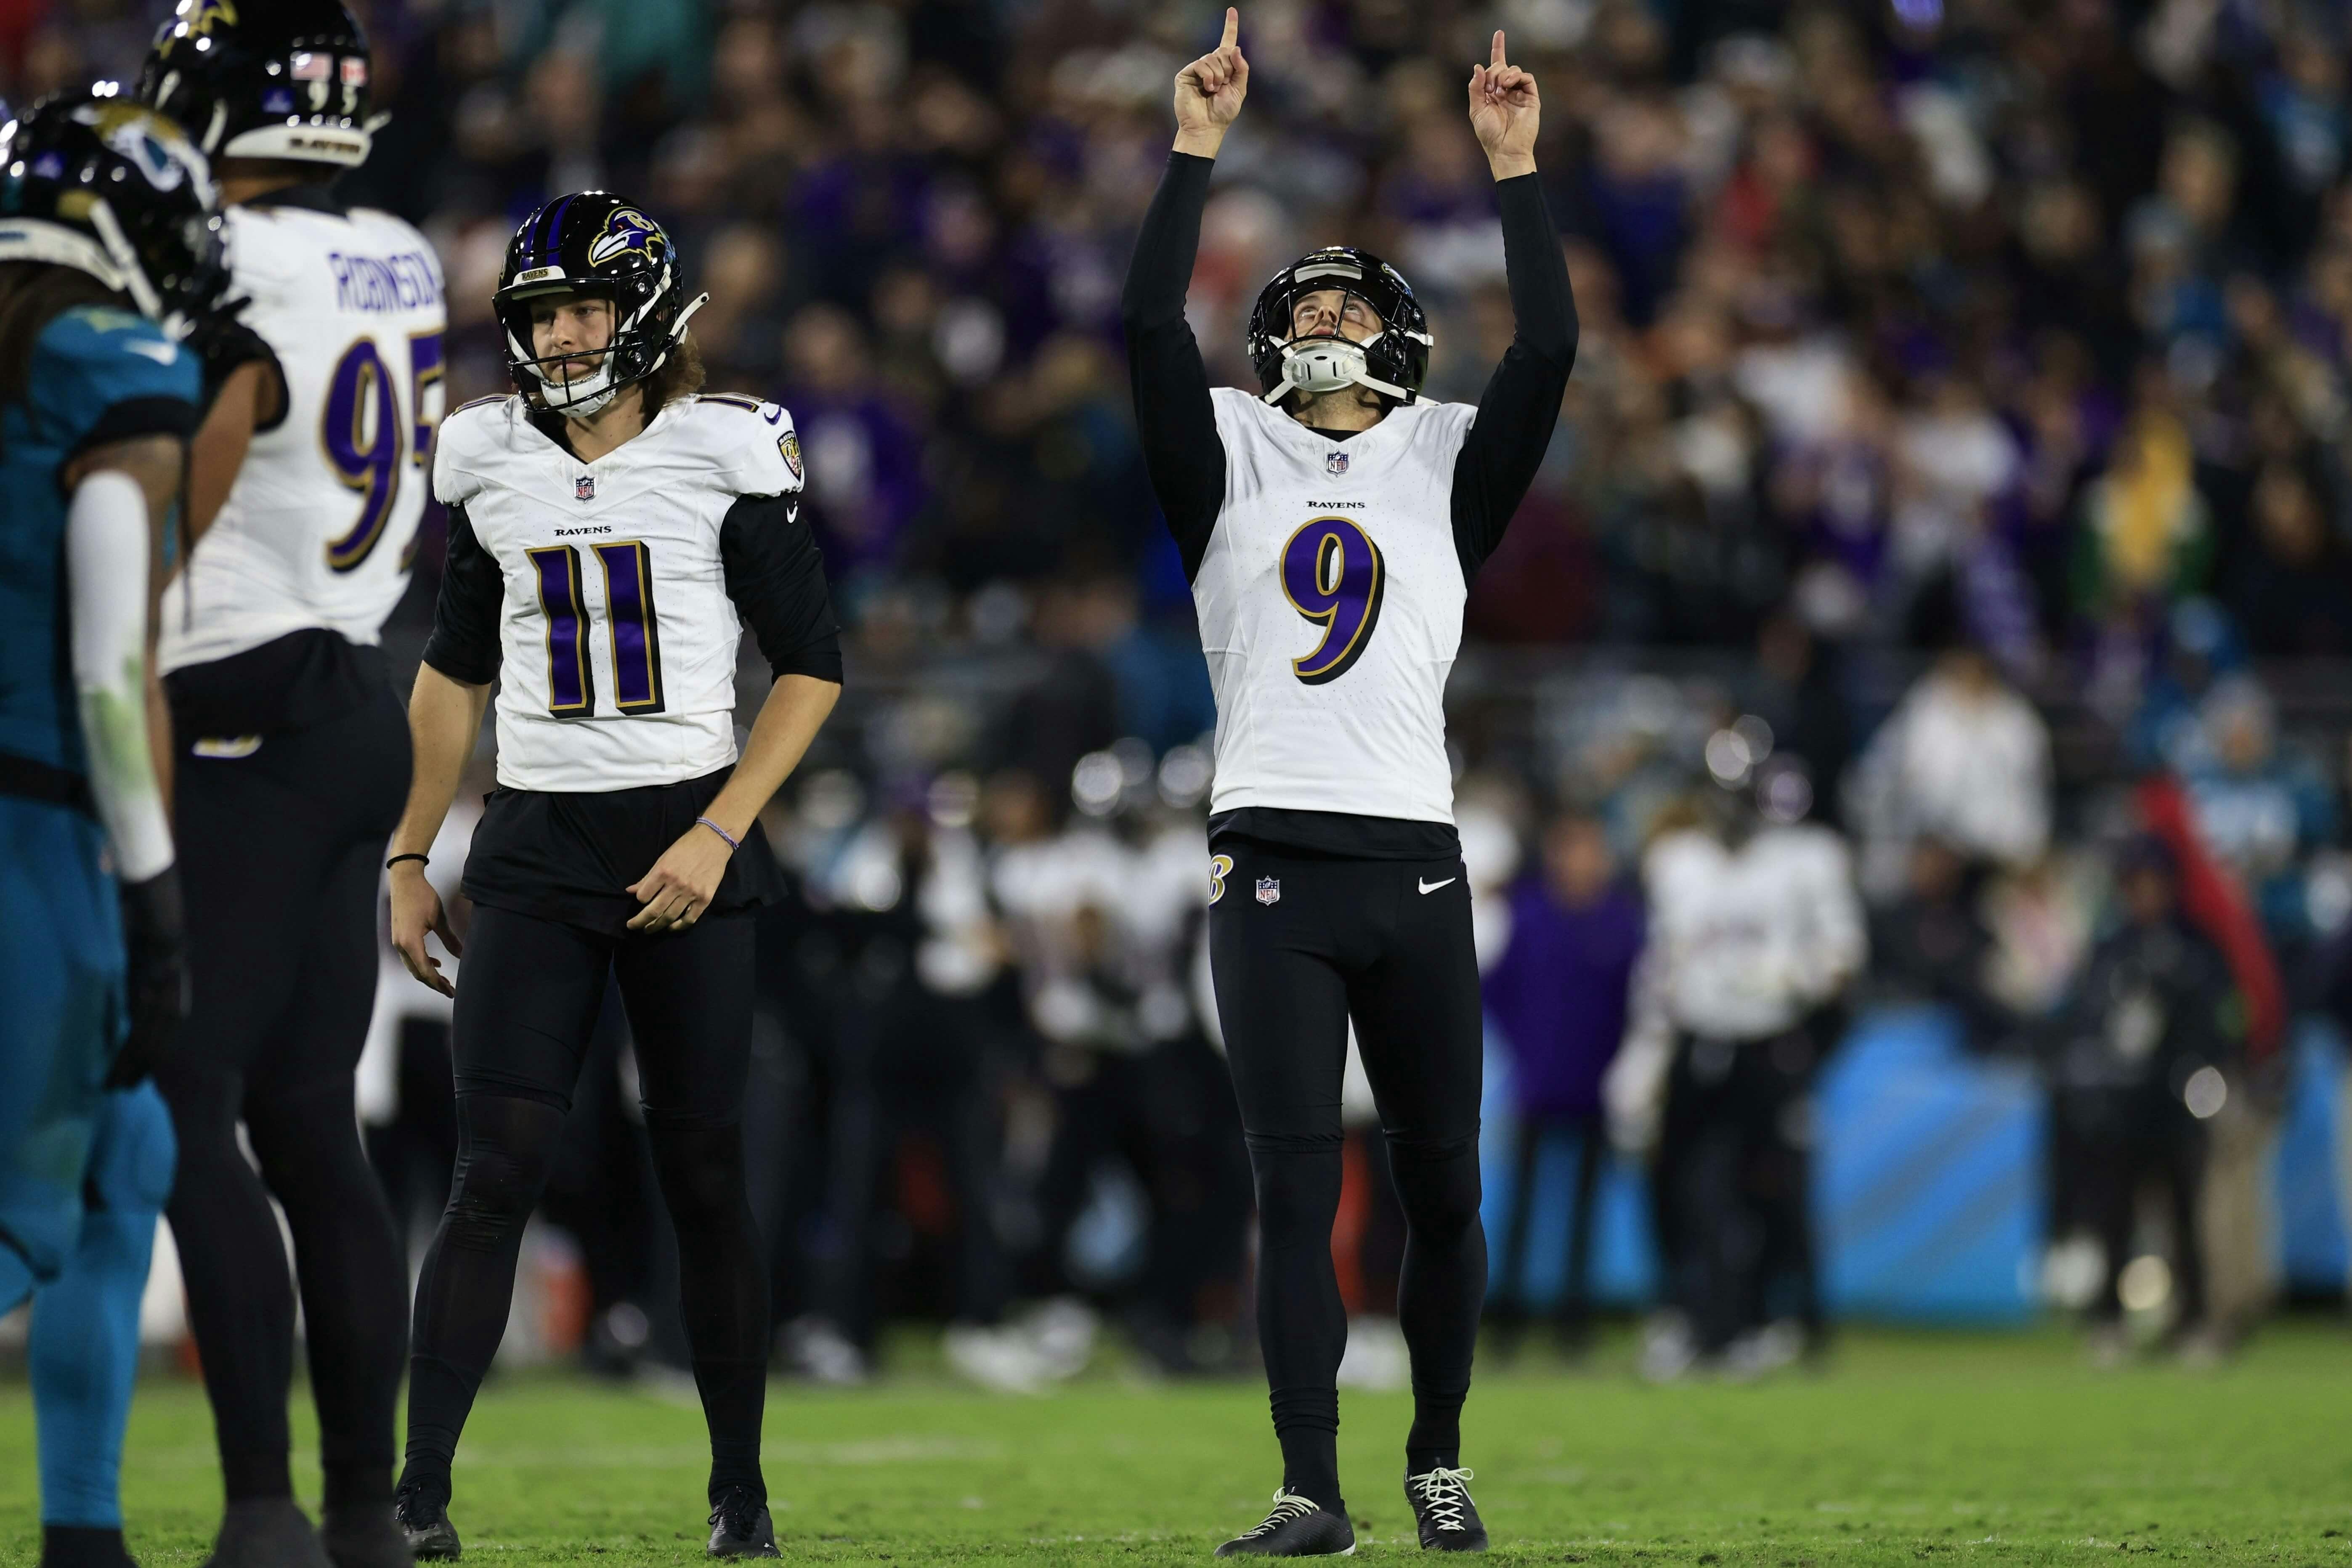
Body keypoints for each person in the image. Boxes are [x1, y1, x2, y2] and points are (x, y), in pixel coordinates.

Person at [1120, 10, 1577, 1553]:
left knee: (1445, 1189)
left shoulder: (1446, 452)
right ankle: (1311, 1482)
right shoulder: (1229, 448)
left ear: (1388, 331)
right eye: (1298, 293)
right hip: (1272, 860)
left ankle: (1435, 1451)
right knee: (1291, 1180)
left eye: (1340, 294)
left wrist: (1514, 167)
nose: (1317, 309)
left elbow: (1555, 347)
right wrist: (1192, 150)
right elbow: (1136, 334)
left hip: (1417, 861)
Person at [382, 191, 843, 1560]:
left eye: (586, 307)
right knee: (494, 1169)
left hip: (685, 831)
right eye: (544, 312)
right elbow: (452, 671)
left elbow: (812, 666)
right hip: (533, 839)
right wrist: (413, 850)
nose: (566, 333)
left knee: (704, 1168)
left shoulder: (722, 448)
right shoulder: (487, 457)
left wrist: (720, 828)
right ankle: (416, 1497)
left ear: (643, 312)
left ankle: (740, 1493)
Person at [130, 6, 448, 1565]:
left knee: (182, 1109)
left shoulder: (224, 259)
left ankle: (261, 1499)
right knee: (311, 1123)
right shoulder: (399, 245)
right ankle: (363, 1513)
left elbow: (195, 451)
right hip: (355, 689)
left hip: (240, 682)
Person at [0, 94, 221, 1568]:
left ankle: (82, 1527)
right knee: (25, 1196)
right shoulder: (106, 364)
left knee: (120, 1159)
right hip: (36, 824)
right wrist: (152, 896)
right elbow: (107, 667)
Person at [1615, 762, 1864, 1380]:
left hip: (1768, 1039)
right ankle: (1689, 1316)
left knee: (1769, 1187)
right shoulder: (1679, 862)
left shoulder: (1804, 859)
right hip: (1696, 1039)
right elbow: (1661, 963)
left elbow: (1842, 957)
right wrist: (1644, 1053)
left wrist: (1793, 977)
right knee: (1677, 1184)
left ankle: (1761, 1319)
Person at [2045, 836, 2242, 1366]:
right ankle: (2109, 1321)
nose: (2146, 894)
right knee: (2114, 1214)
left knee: (2184, 1215)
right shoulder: (2112, 949)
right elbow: (2083, 1020)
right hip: (2121, 1103)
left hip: (2176, 1101)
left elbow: (2221, 1021)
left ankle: (2194, 1321)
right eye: (2136, 884)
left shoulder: (2195, 948)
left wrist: (2204, 1075)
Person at [1481, 813, 1644, 1353]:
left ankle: (1573, 1321)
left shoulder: (1621, 922)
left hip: (1597, 1084)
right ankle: (1507, 1317)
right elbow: (1497, 988)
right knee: (1523, 1206)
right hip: (1538, 1083)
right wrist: (1526, 1048)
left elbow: (1637, 1000)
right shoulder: (1529, 916)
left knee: (1583, 1208)